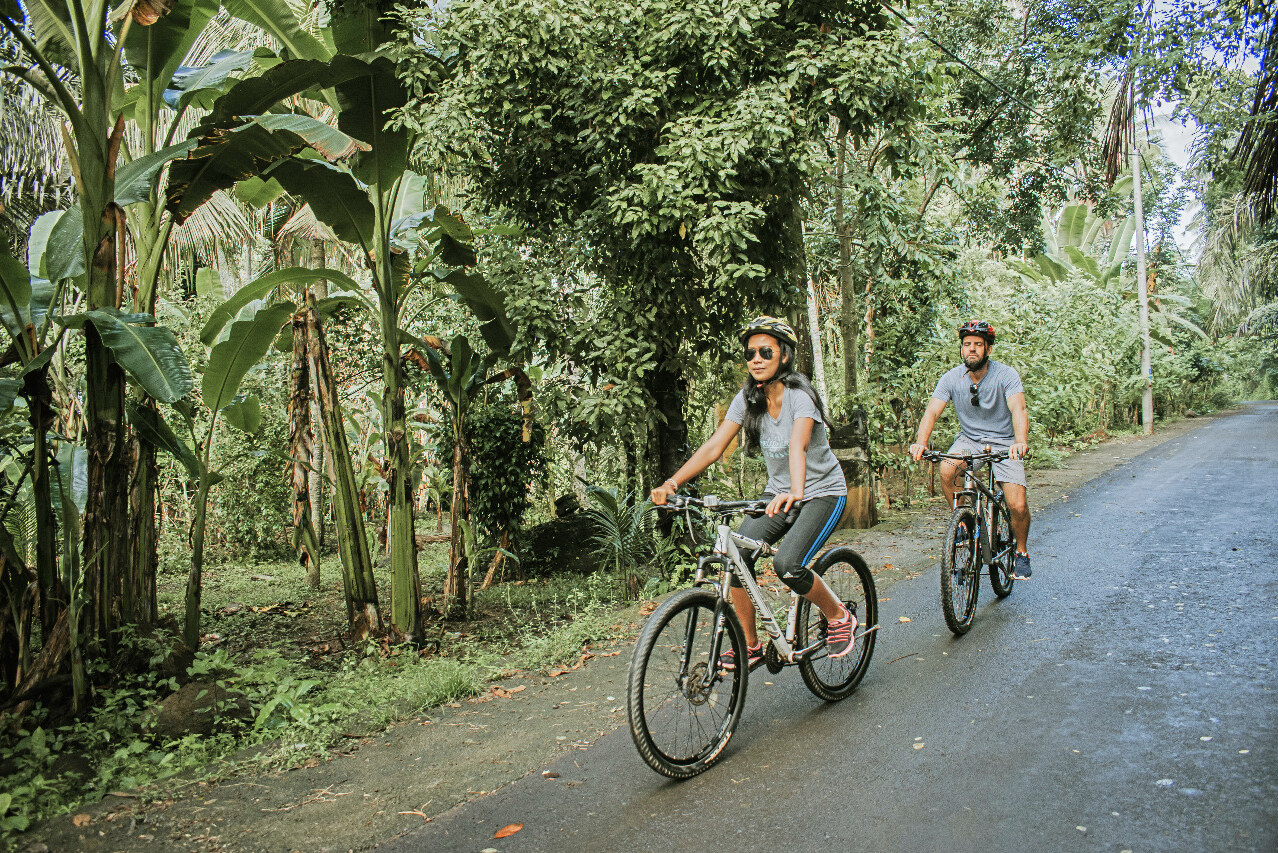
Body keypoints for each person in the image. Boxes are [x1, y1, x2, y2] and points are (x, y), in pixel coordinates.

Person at [651, 316, 856, 671]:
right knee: (733, 556)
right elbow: (715, 446)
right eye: (750, 353)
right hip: (779, 493)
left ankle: (839, 616)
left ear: (785, 357)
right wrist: (673, 482)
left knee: (787, 565)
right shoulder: (747, 399)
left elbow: (798, 445)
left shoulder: (799, 397)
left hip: (822, 492)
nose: (756, 359)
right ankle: (751, 645)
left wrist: (796, 490)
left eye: (766, 351)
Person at [909, 319, 1033, 579]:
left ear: (988, 349)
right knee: (947, 468)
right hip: (970, 440)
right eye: (967, 345)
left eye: (978, 344)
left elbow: (1018, 409)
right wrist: (921, 442)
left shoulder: (1006, 375)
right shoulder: (951, 378)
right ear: (962, 349)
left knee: (1017, 505)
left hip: (1005, 442)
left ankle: (1021, 552)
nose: (972, 349)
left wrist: (1020, 441)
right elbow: (932, 411)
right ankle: (963, 518)